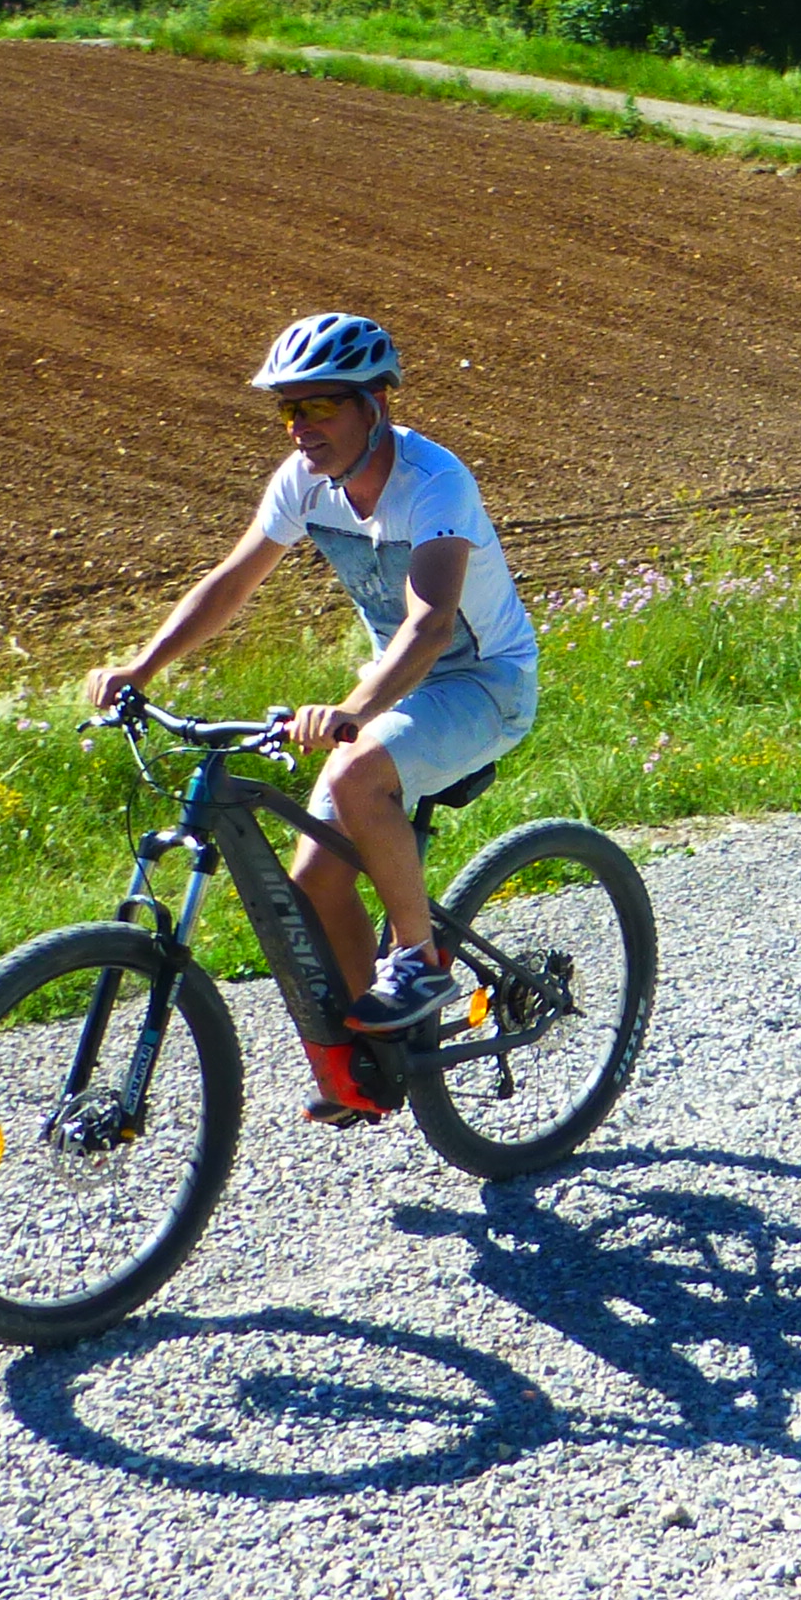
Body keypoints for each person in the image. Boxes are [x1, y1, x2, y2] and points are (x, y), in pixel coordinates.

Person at [82, 313, 539, 1076]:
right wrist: (143, 668)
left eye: (320, 404)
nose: (299, 427)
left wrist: (356, 712)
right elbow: (233, 581)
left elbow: (429, 628)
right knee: (316, 877)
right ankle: (377, 1058)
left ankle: (420, 959)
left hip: (485, 683)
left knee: (356, 772)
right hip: (398, 690)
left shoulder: (435, 484)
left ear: (375, 405)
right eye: (288, 410)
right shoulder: (305, 482)